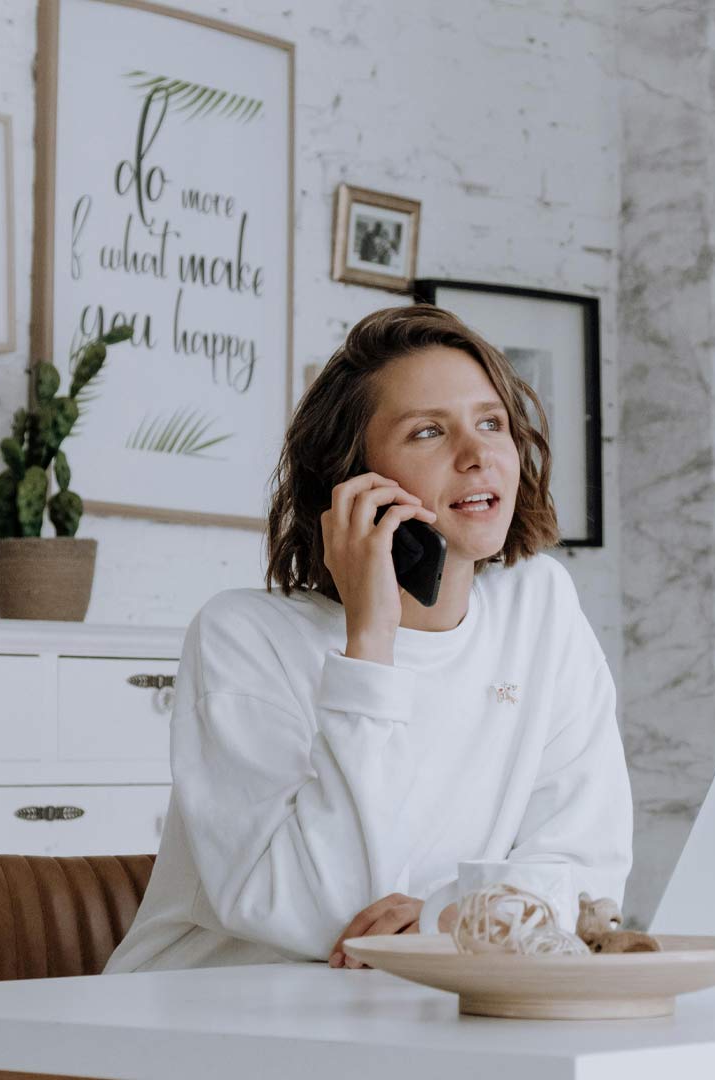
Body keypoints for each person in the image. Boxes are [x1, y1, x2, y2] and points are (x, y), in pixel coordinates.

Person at [103, 304, 632, 973]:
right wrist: (371, 640)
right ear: (352, 480)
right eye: (428, 432)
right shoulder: (241, 637)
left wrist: (444, 920)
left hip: (419, 1003)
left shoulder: (542, 607)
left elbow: (587, 872)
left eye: (491, 422)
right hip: (211, 1017)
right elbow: (327, 912)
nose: (477, 456)